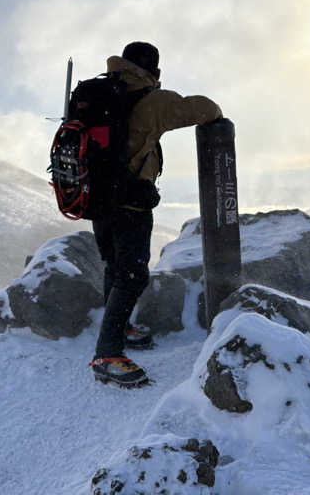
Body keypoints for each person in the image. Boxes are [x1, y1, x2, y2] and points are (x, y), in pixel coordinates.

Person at [90, 42, 223, 387]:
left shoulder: (100, 92)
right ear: (154, 70)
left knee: (113, 266)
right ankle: (108, 353)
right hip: (130, 203)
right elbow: (208, 109)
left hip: (96, 198)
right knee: (132, 275)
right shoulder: (152, 100)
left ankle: (119, 329)